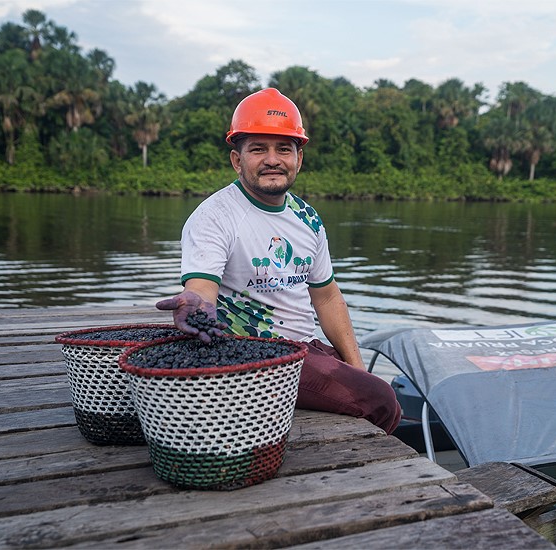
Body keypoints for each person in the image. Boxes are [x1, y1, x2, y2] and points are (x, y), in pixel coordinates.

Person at [156, 87, 401, 434]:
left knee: (369, 387)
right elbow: (202, 287)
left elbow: (327, 297)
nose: (273, 159)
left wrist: (357, 366)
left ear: (299, 158)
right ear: (237, 160)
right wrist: (196, 304)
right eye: (258, 149)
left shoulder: (307, 217)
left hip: (304, 349)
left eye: (283, 149)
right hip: (253, 356)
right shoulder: (215, 216)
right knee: (382, 400)